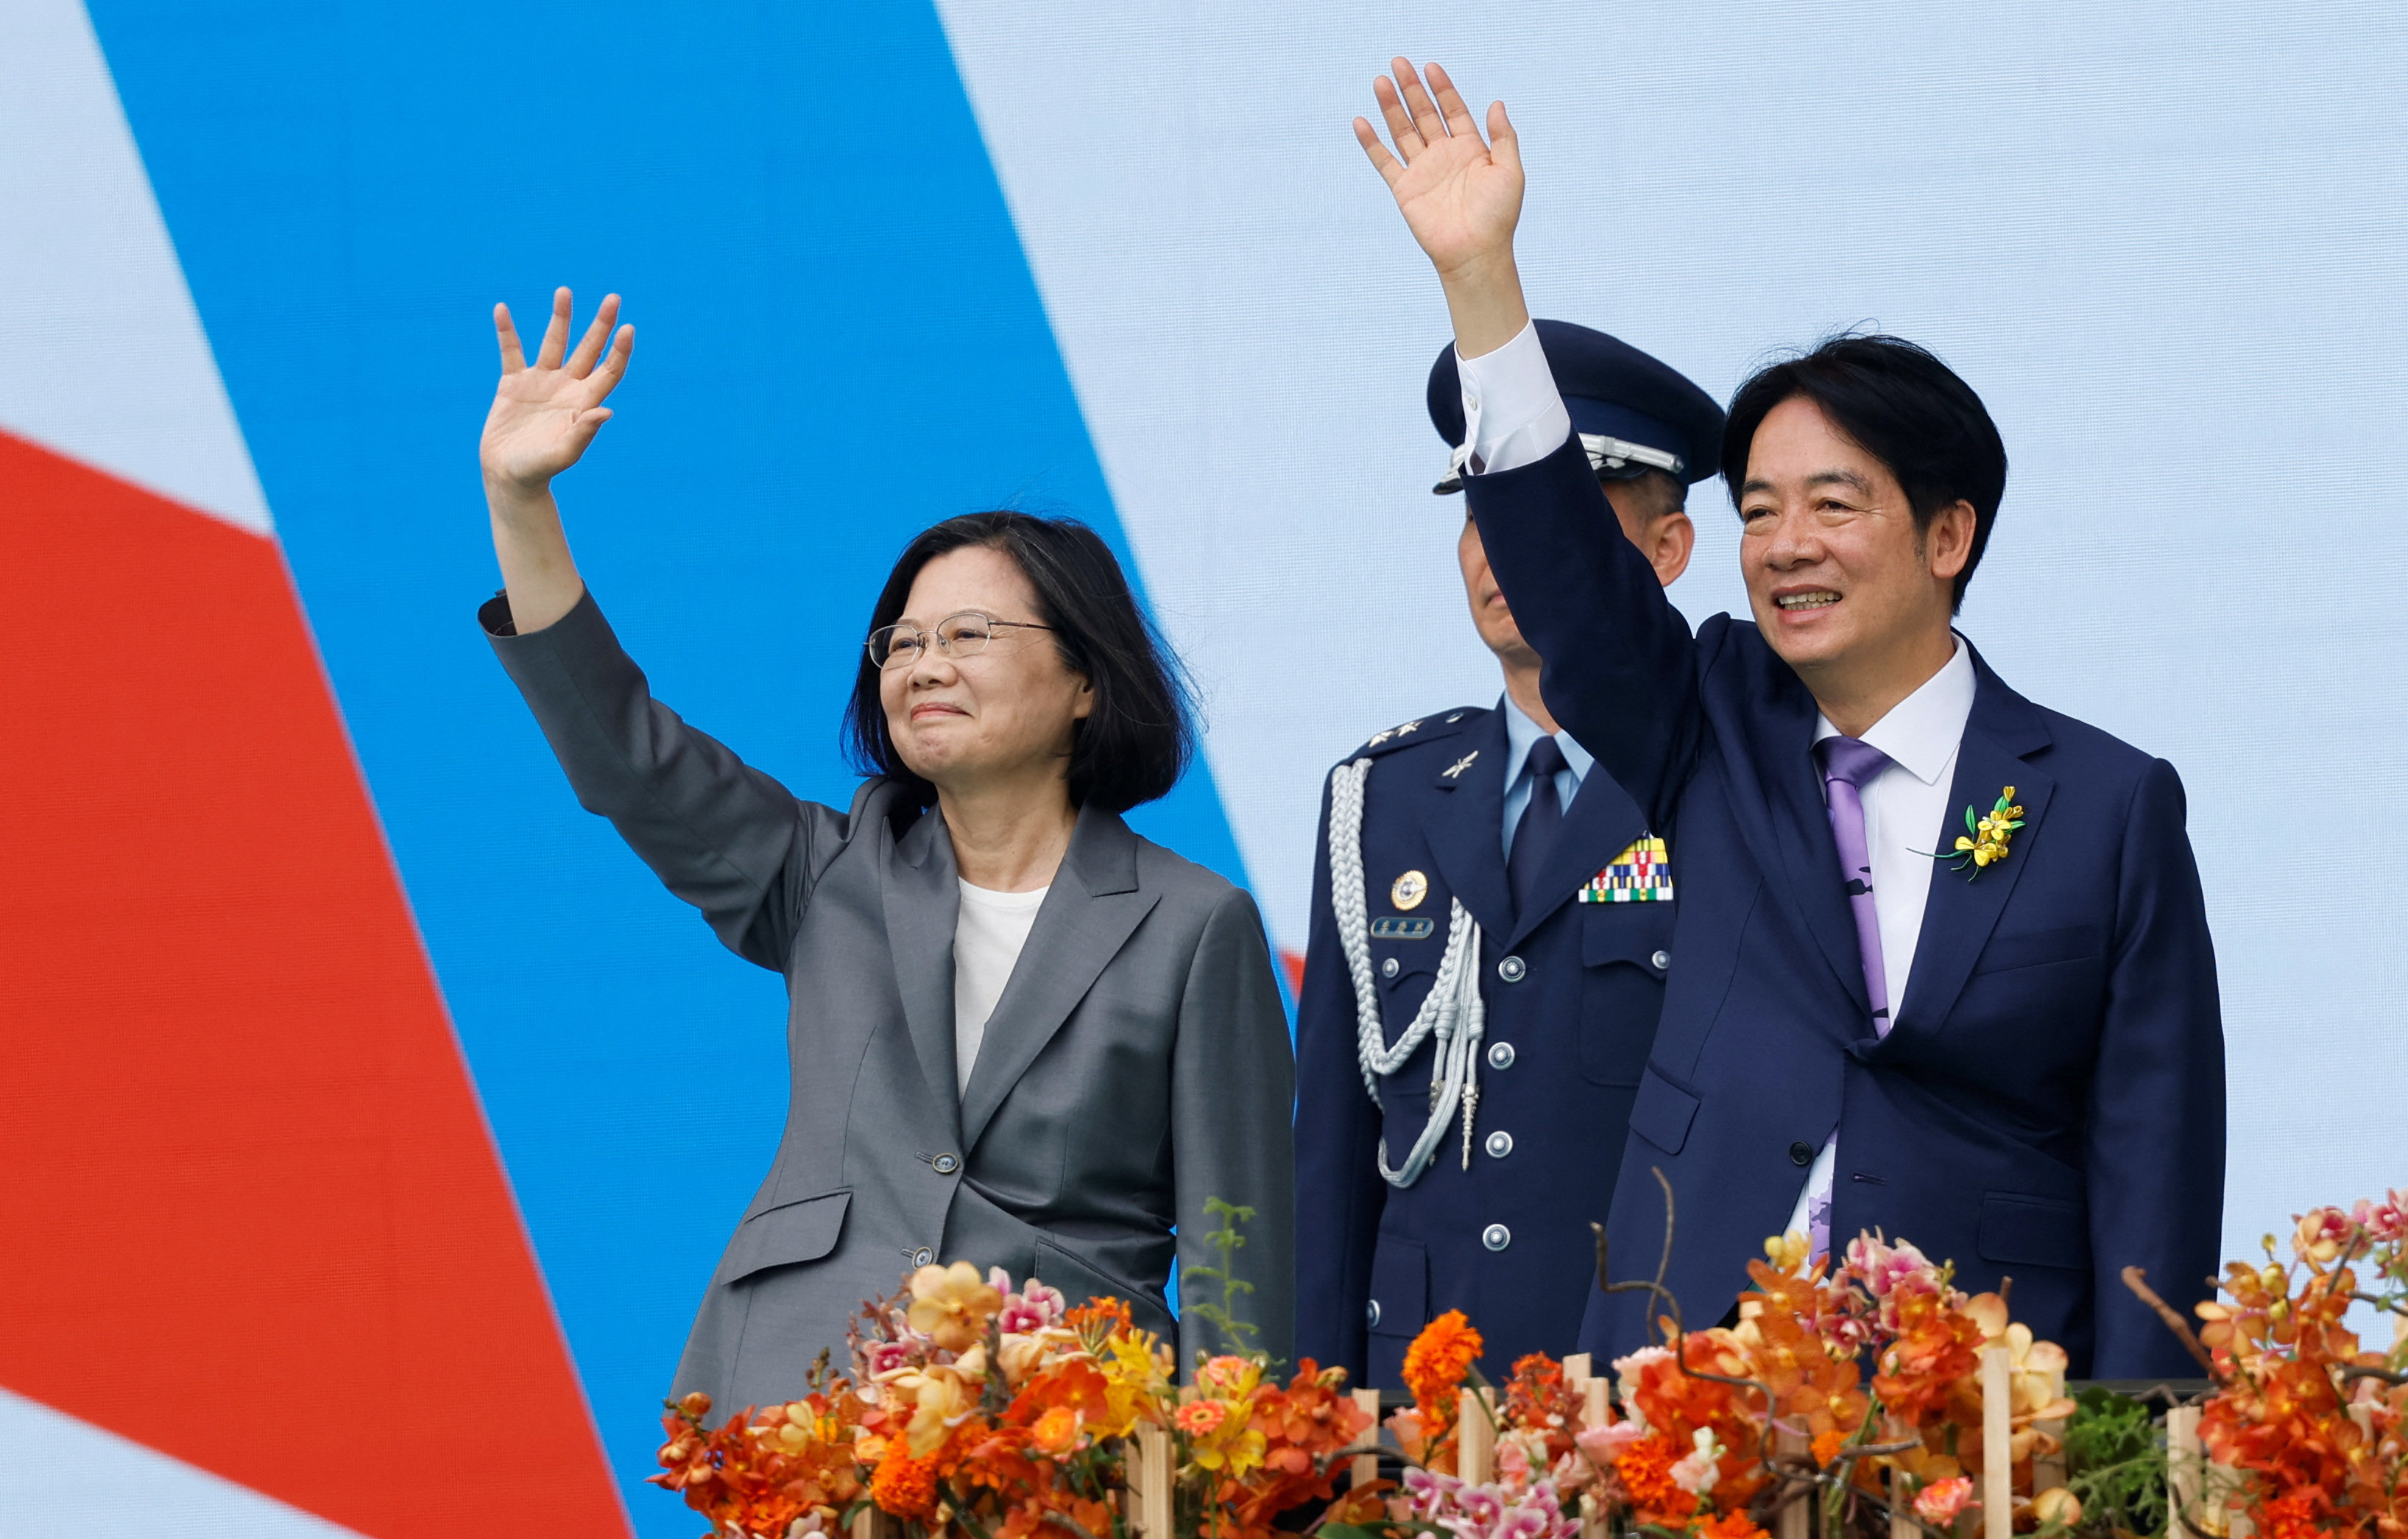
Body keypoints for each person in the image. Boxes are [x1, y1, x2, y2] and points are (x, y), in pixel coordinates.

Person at [1352, 62, 2224, 1376]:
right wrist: (1483, 289)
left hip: (1980, 1405)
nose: (1783, 546)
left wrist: (2135, 1449)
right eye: (1758, 510)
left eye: (1831, 503)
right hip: (1681, 1384)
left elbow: (2151, 1149)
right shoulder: (1713, 716)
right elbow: (1571, 583)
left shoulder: (2105, 803)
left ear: (1946, 533)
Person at [472, 288, 1295, 1409]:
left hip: (1064, 1429)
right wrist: (520, 501)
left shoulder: (1195, 926)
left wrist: (1219, 1482)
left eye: (968, 635)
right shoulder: (828, 873)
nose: (921, 664)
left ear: (1087, 681)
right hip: (809, 1398)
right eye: (901, 641)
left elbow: (1238, 1248)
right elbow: (628, 757)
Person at [1293, 323, 1720, 1387]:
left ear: (1666, 550)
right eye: (1481, 512)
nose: (1503, 546)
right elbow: (1336, 1161)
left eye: (1549, 514)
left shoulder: (1723, 779)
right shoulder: (1380, 796)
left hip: (1646, 1392)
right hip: (1417, 1406)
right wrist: (1316, 1418)